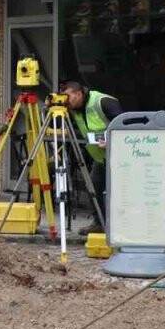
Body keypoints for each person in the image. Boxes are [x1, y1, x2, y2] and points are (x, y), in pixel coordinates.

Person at [59, 81, 122, 234]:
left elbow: (124, 124)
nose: (66, 101)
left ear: (79, 94)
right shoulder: (74, 109)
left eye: (68, 97)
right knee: (94, 187)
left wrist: (111, 139)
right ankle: (99, 223)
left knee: (118, 193)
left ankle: (120, 227)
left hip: (119, 157)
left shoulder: (103, 101)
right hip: (100, 158)